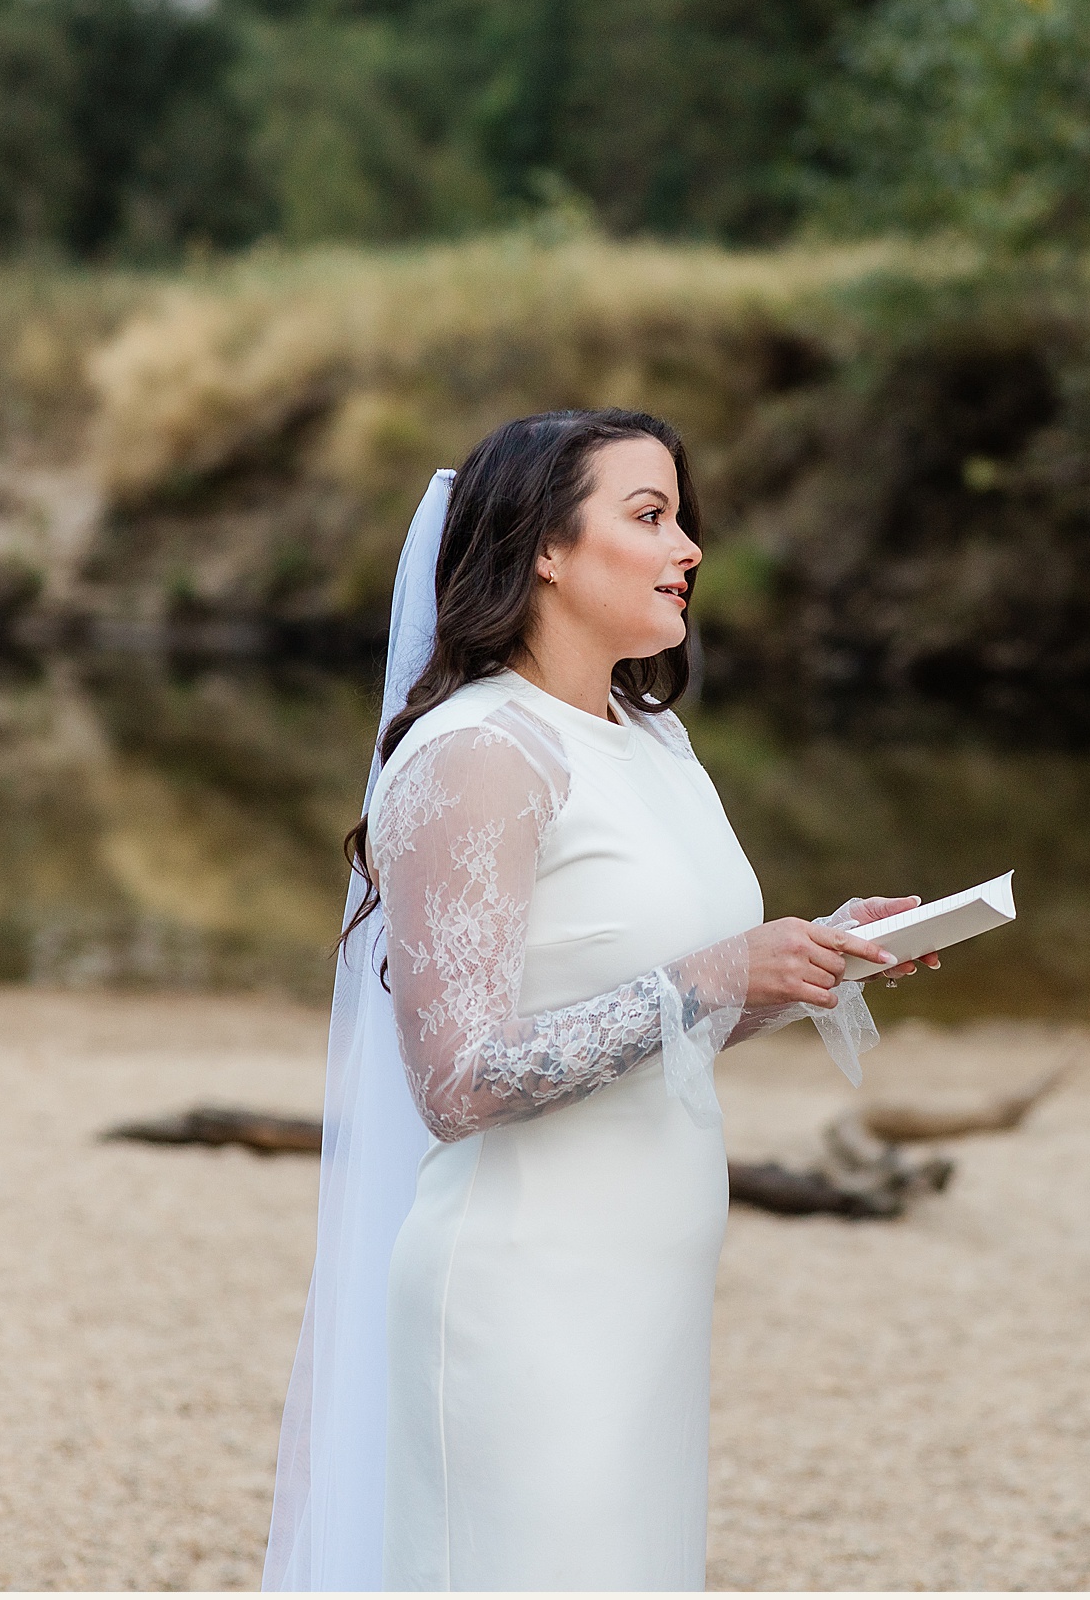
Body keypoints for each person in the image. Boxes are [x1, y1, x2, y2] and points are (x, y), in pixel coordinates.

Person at [264, 408, 935, 1591]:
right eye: (648, 514)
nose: (688, 547)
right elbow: (460, 1077)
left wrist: (811, 959)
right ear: (545, 550)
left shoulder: (649, 735)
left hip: (646, 1280)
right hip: (523, 1288)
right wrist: (714, 973)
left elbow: (665, 1013)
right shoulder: (478, 754)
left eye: (682, 516)